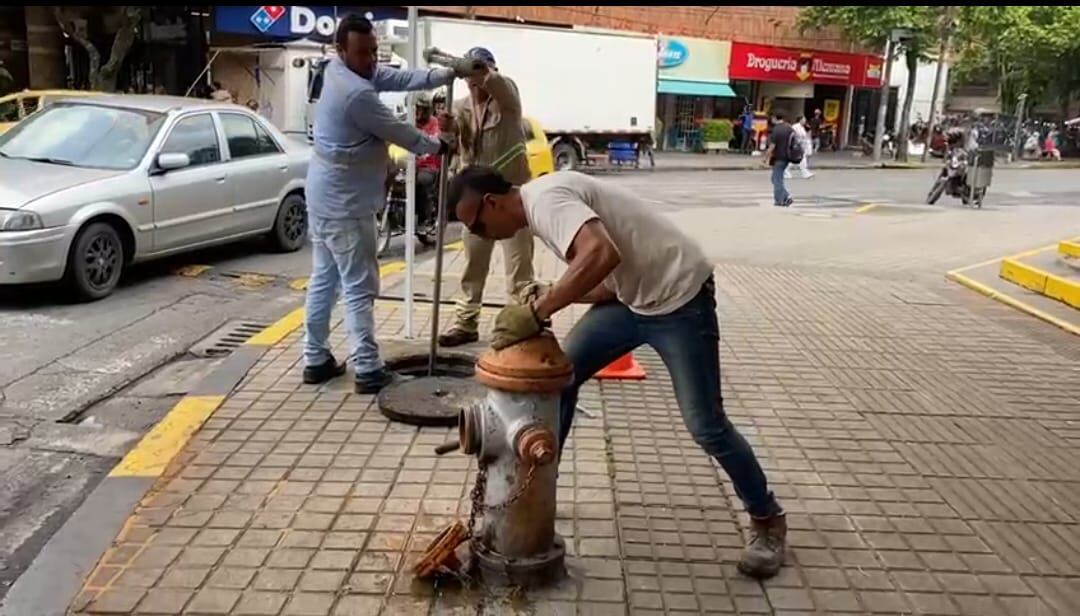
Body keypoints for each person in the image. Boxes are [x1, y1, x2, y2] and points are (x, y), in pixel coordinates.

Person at [446, 165, 788, 579]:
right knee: (560, 380)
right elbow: (609, 275)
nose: (480, 236)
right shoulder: (544, 207)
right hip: (631, 303)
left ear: (493, 203)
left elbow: (602, 253)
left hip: (681, 301)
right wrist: (546, 296)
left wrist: (539, 311)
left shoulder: (546, 201)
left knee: (706, 424)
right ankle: (534, 495)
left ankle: (767, 519)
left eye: (477, 226)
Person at [302, 14, 479, 393]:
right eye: (362, 53)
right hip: (344, 202)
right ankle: (367, 369)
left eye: (373, 52)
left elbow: (396, 78)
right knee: (359, 284)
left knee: (325, 279)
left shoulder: (342, 69)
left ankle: (315, 358)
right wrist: (439, 145)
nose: (370, 60)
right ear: (341, 50)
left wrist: (442, 75)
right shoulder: (356, 93)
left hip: (325, 193)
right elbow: (399, 132)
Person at [437, 46, 536, 347]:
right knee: (473, 266)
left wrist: (480, 69)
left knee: (519, 268)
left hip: (511, 199)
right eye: (468, 75)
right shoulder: (460, 106)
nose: (473, 80)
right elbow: (455, 145)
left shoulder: (507, 99)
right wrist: (448, 129)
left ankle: (522, 323)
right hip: (476, 203)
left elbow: (499, 85)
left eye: (477, 73)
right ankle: (466, 323)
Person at [415, 94, 441, 221]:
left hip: (428, 165)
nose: (420, 112)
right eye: (418, 108)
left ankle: (424, 217)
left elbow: (433, 140)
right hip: (410, 164)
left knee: (421, 181)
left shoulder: (434, 123)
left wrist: (423, 153)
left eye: (424, 109)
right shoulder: (410, 121)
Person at [765, 113, 794, 207]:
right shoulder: (789, 128)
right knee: (776, 178)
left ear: (775, 118)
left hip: (779, 157)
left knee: (776, 179)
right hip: (788, 157)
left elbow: (772, 146)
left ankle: (783, 198)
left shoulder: (777, 129)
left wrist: (765, 158)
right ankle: (782, 197)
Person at [785, 115, 814, 180]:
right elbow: (792, 135)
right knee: (798, 159)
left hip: (802, 146)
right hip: (796, 145)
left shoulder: (802, 127)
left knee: (800, 159)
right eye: (804, 119)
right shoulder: (795, 126)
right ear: (800, 120)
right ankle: (786, 170)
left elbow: (805, 136)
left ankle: (805, 173)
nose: (805, 121)